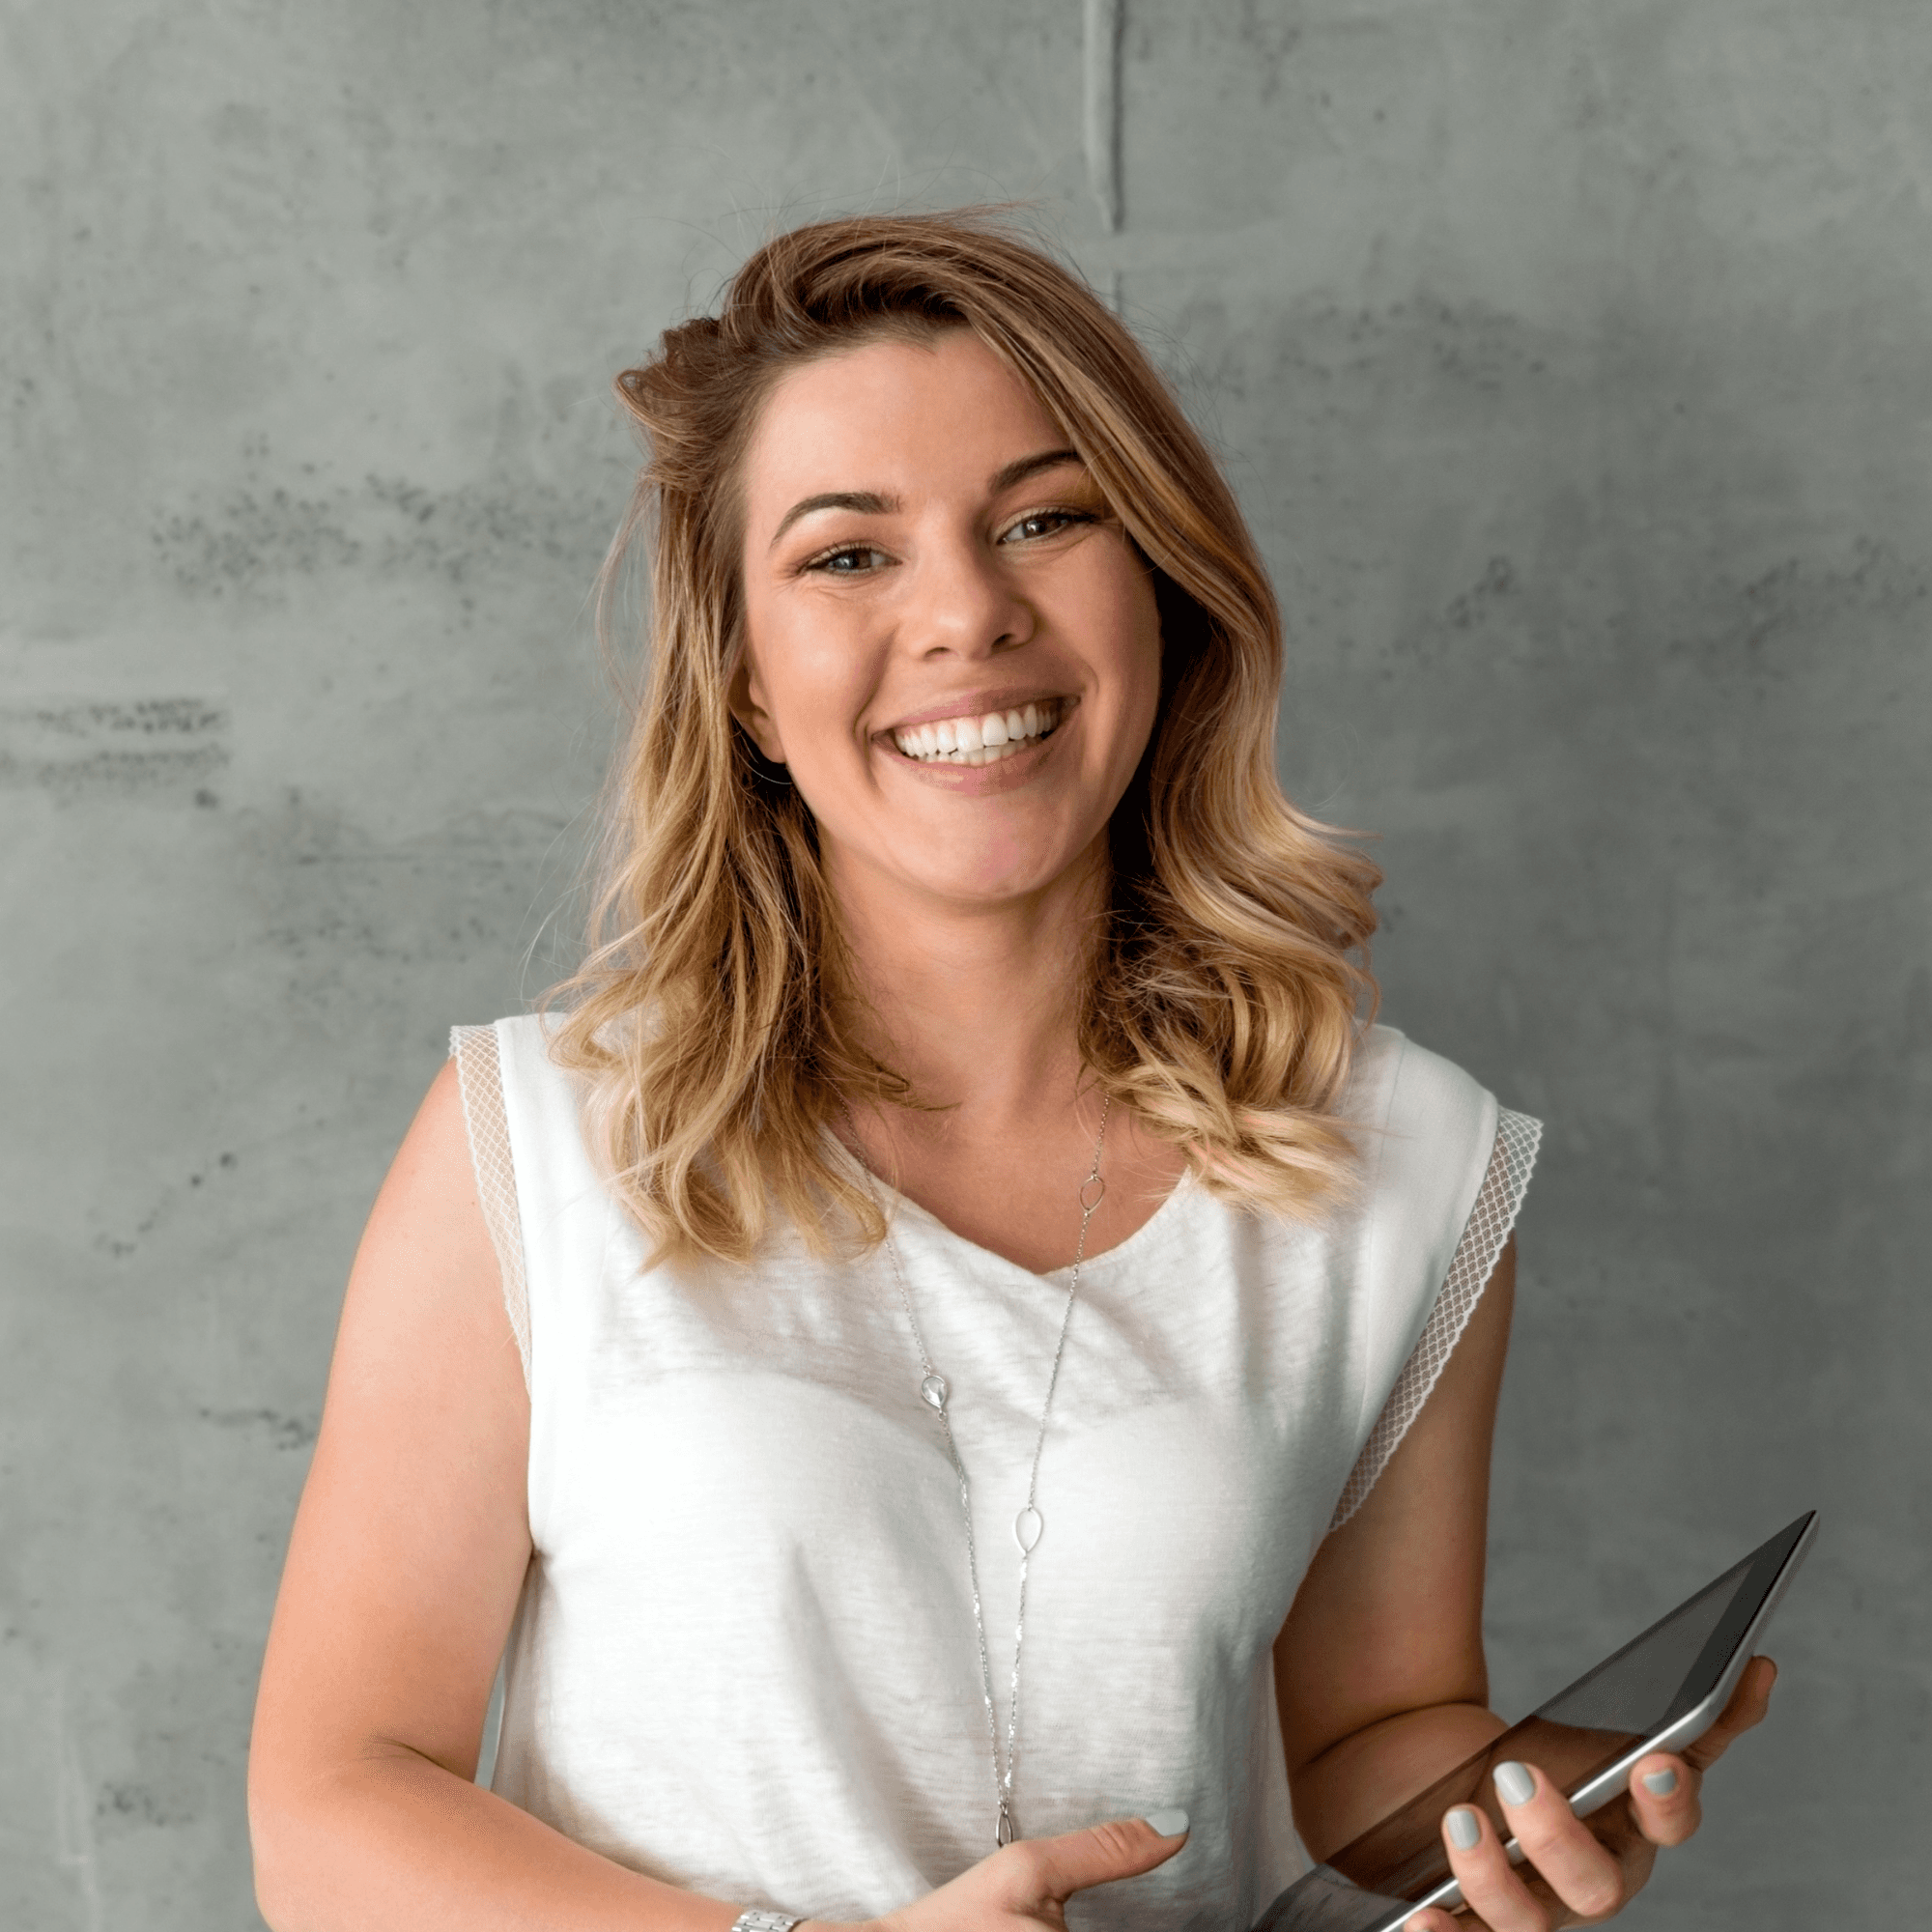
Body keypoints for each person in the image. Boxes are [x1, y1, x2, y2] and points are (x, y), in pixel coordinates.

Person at [247, 212, 1774, 1932]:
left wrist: (1525, 1822)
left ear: (1162, 592)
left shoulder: (1404, 1165)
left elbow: (1368, 1735)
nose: (968, 613)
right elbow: (331, 1813)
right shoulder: (538, 1146)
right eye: (847, 556)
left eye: (1046, 519)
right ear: (747, 679)